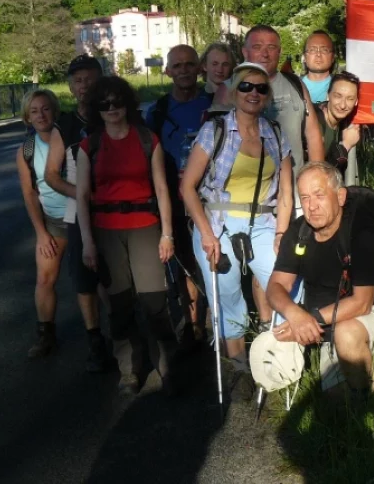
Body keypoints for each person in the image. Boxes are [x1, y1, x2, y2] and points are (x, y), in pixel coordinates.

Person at [180, 62, 294, 390]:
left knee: (280, 284)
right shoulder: (214, 130)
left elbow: (286, 189)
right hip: (218, 221)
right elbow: (188, 186)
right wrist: (205, 233)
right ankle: (240, 367)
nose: (253, 93)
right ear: (234, 92)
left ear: (267, 95)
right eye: (246, 87)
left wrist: (282, 232)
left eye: (260, 88)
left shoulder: (274, 132)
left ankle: (274, 356)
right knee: (228, 295)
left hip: (264, 221)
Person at [263, 162, 374, 397]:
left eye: (319, 195)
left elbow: (363, 303)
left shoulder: (362, 231)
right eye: (305, 198)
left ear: (340, 196)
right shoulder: (299, 233)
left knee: (346, 334)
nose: (311, 206)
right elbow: (275, 286)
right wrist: (294, 314)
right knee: (336, 399)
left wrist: (309, 320)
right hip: (327, 320)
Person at [76, 76, 177, 394]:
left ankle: (167, 366)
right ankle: (129, 370)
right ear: (97, 109)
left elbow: (162, 189)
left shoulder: (148, 139)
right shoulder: (87, 146)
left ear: (127, 103)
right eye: (104, 104)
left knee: (154, 302)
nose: (112, 108)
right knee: (119, 306)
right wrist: (88, 242)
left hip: (145, 227)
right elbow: (81, 197)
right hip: (106, 232)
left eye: (117, 101)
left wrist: (168, 235)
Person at [43, 54, 114, 373]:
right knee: (84, 277)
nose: (85, 86)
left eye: (90, 79)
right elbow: (51, 175)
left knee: (118, 275)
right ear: (71, 87)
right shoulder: (66, 126)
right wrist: (83, 196)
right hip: (77, 209)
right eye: (78, 81)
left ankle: (124, 334)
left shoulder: (113, 114)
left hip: (115, 207)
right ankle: (95, 339)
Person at [145, 44, 213, 342]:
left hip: (211, 197)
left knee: (213, 258)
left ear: (200, 68)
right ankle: (194, 324)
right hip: (174, 197)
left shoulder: (215, 102)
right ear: (168, 71)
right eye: (178, 65)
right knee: (184, 261)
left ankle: (221, 324)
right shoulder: (157, 112)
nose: (184, 70)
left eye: (189, 64)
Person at [241, 25, 325, 207]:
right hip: (250, 203)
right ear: (245, 52)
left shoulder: (295, 84)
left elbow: (312, 133)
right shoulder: (230, 89)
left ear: (280, 52)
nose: (265, 54)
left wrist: (317, 180)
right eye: (257, 47)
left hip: (296, 195)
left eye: (271, 47)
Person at [16, 89, 68, 358]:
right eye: (34, 111)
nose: (40, 115)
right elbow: (29, 193)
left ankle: (106, 336)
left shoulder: (70, 137)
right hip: (51, 221)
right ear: (27, 117)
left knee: (96, 280)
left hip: (80, 215)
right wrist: (40, 233)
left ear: (55, 111)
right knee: (45, 278)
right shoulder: (26, 150)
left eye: (45, 109)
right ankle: (46, 335)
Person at [313, 71, 361, 180]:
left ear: (356, 102)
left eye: (350, 99)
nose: (343, 105)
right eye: (338, 96)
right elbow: (321, 174)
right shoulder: (313, 121)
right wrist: (346, 145)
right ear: (328, 95)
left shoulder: (345, 124)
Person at [301, 30, 337, 104]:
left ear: (333, 57)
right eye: (312, 50)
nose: (318, 54)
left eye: (324, 50)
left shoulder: (341, 86)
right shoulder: (293, 86)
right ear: (304, 57)